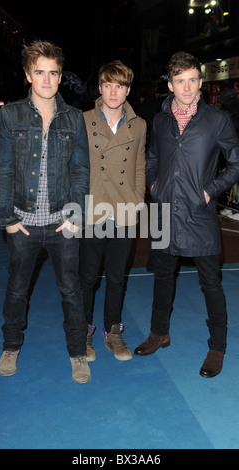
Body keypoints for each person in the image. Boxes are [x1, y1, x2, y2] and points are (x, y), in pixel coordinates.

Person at [134, 51, 239, 378]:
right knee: (161, 275)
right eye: (180, 81)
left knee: (211, 282)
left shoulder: (218, 120)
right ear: (170, 83)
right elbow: (152, 157)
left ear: (201, 82)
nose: (187, 87)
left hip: (200, 213)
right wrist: (154, 185)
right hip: (164, 211)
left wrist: (209, 190)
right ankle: (160, 333)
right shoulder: (159, 120)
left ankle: (217, 346)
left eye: (192, 80)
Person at [0, 40, 91, 384]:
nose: (47, 80)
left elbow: (81, 170)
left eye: (53, 73)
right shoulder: (10, 115)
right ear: (27, 75)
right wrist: (7, 219)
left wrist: (74, 216)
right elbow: (3, 169)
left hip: (62, 223)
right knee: (17, 289)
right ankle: (10, 345)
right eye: (39, 72)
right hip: (23, 223)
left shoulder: (75, 117)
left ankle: (78, 352)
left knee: (72, 290)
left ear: (61, 76)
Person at [80, 60, 146, 362]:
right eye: (108, 85)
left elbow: (140, 166)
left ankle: (113, 330)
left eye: (119, 85)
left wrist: (137, 200)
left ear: (128, 89)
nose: (113, 91)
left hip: (123, 210)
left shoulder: (139, 125)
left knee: (118, 277)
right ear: (100, 87)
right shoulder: (83, 120)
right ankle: (83, 330)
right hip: (93, 208)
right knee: (88, 277)